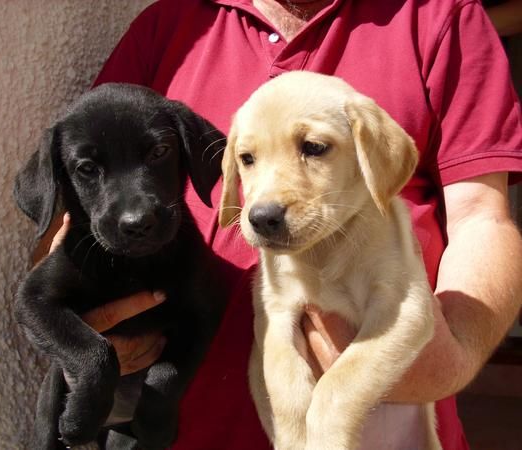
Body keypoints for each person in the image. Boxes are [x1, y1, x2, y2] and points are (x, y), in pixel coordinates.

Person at [39, 0, 522, 448]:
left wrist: (454, 357)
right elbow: (78, 199)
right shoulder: (170, 25)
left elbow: (483, 217)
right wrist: (86, 335)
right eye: (244, 158)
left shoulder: (438, 16)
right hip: (167, 427)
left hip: (379, 423)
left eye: (314, 149)